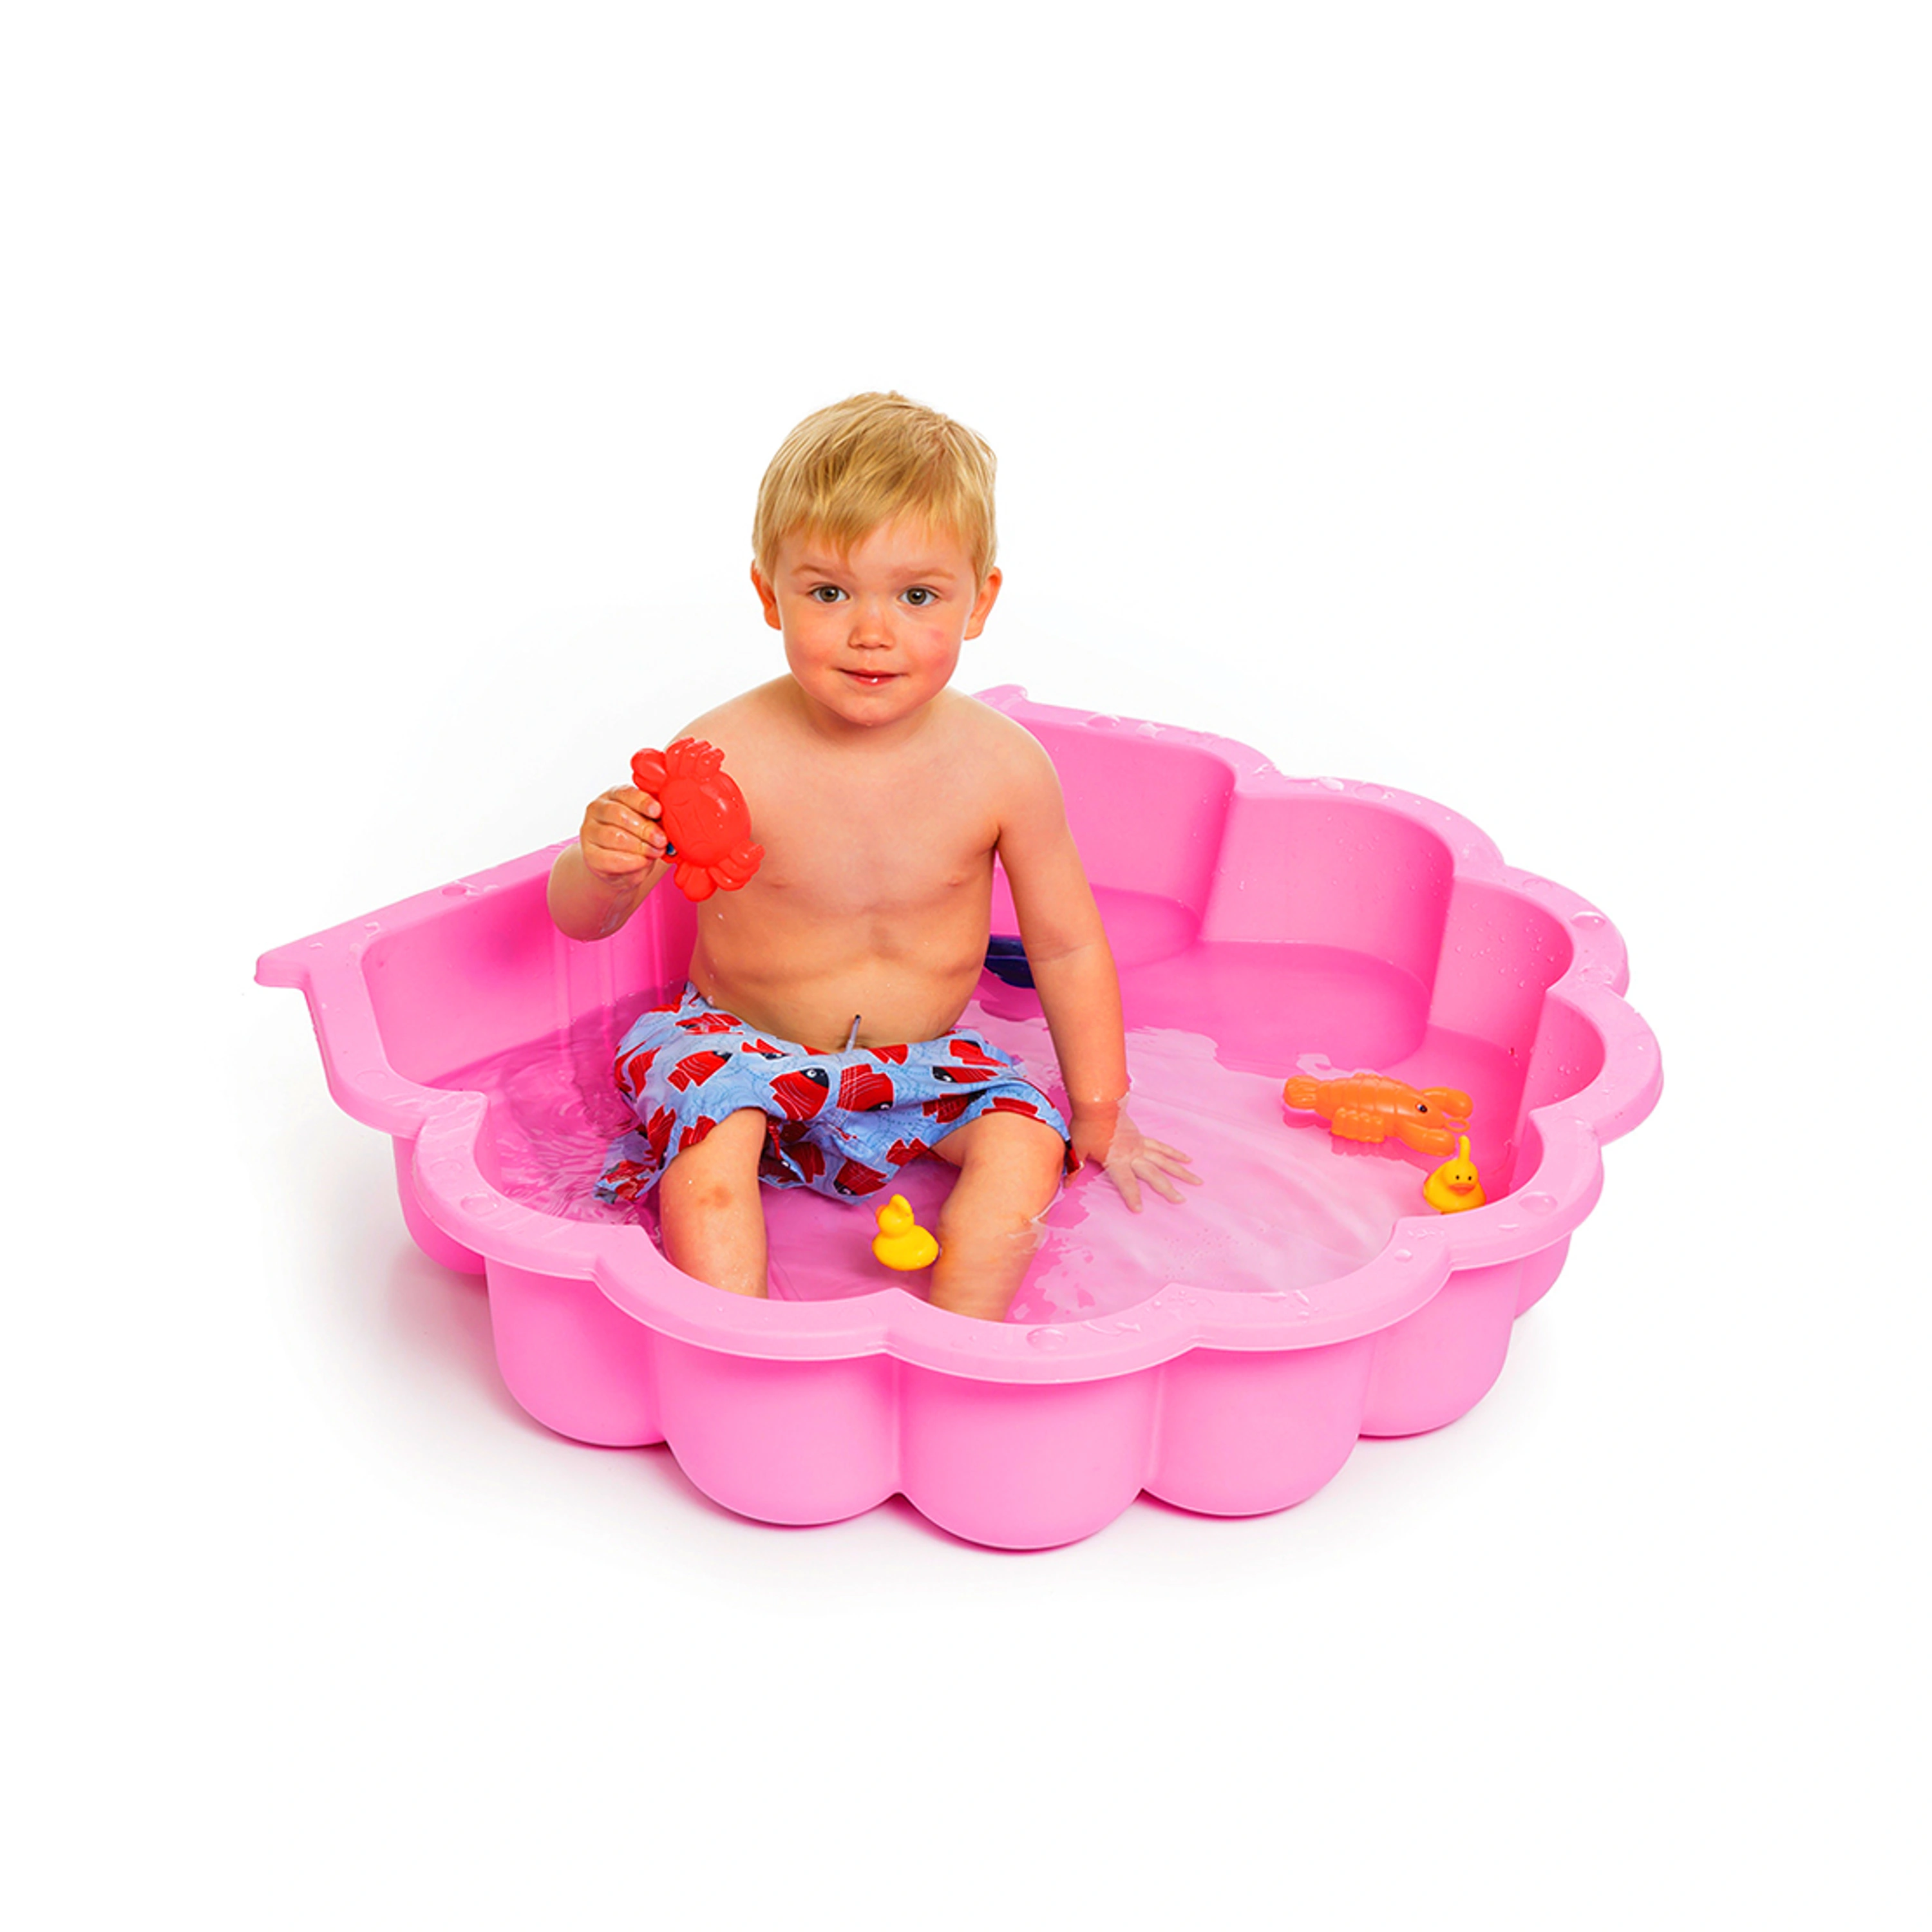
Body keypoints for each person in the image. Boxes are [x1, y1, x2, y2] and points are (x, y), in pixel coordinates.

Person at [548, 392, 1198, 1320]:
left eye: (917, 596)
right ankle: (740, 1344)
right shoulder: (722, 756)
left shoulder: (1004, 769)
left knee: (1026, 1144)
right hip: (741, 1051)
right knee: (711, 1152)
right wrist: (602, 865)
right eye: (828, 593)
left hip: (920, 1065)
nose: (871, 632)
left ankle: (960, 1340)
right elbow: (585, 922)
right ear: (769, 594)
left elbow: (1064, 947)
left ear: (980, 602)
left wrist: (1099, 1111)